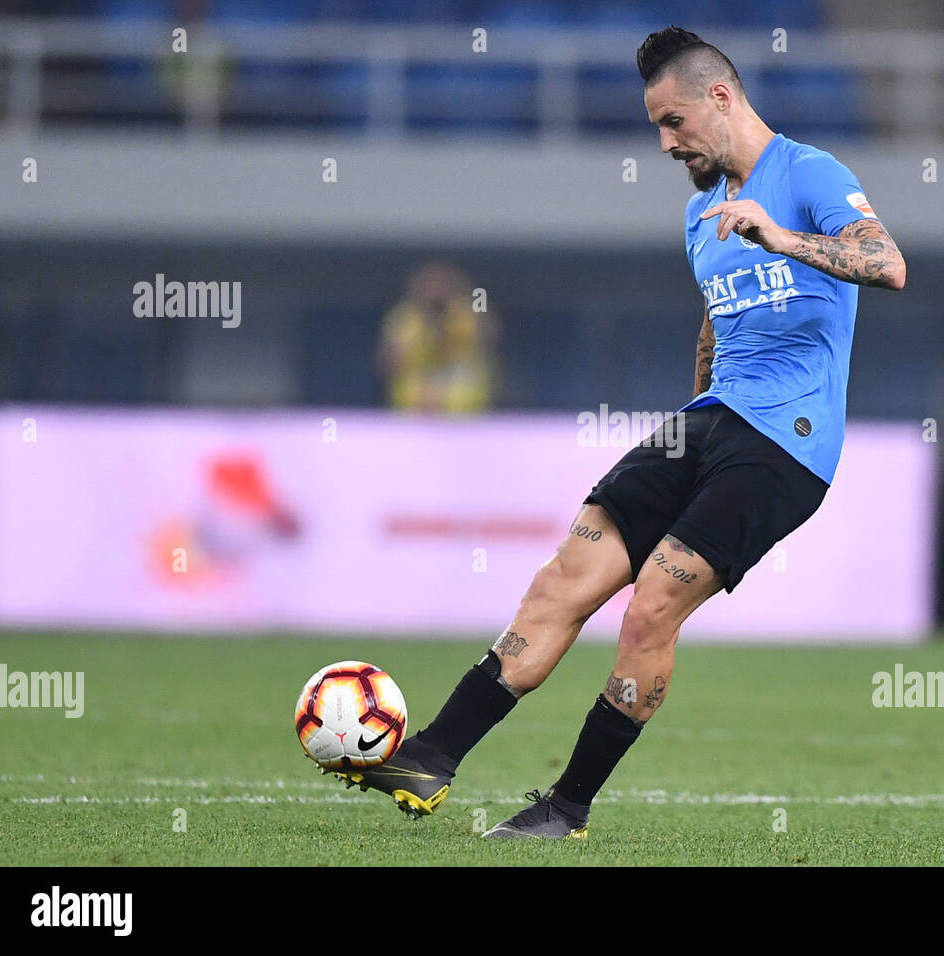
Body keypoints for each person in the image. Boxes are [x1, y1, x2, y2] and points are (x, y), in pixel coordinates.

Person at [330, 26, 906, 838]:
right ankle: (428, 757)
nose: (666, 142)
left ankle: (567, 807)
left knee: (649, 609)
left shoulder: (810, 173)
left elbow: (886, 263)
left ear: (720, 96)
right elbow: (717, 323)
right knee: (564, 579)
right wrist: (695, 423)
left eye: (674, 122)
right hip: (709, 425)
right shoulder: (702, 213)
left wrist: (783, 237)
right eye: (656, 128)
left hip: (787, 444)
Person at [375, 262, 496, 413]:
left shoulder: (466, 315)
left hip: (462, 398)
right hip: (414, 400)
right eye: (428, 288)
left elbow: (488, 337)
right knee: (416, 390)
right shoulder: (406, 320)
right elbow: (387, 363)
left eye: (441, 289)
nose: (434, 294)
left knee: (467, 380)